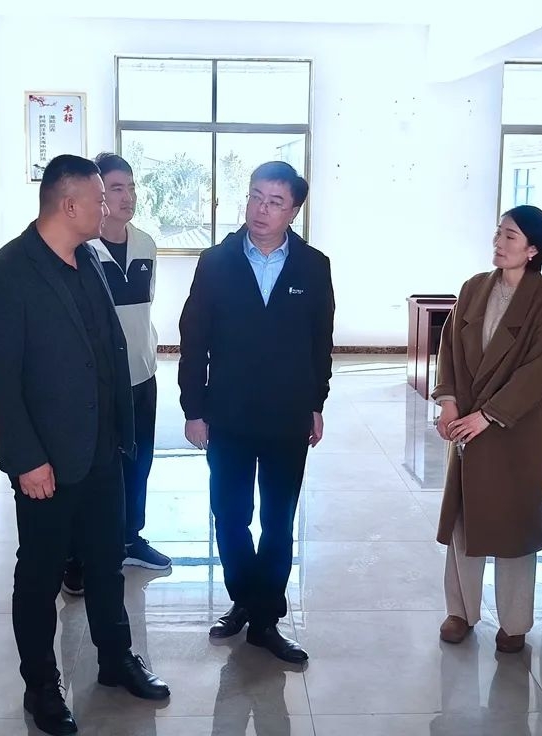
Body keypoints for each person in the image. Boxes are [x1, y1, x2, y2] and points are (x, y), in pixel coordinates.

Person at [0, 154, 170, 736]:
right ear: (68, 204)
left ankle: (115, 659)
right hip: (47, 462)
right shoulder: (7, 274)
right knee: (39, 575)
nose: (107, 208)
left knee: (106, 564)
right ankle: (41, 685)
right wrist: (26, 458)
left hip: (102, 450)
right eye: (99, 199)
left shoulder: (88, 259)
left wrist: (121, 434)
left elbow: (106, 350)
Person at [178, 161, 335, 664]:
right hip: (228, 413)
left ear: (293, 211)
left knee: (278, 518)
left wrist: (316, 403)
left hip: (287, 415)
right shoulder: (216, 262)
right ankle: (244, 597)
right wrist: (193, 408)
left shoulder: (313, 266)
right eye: (255, 197)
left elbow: (320, 343)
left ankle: (266, 619)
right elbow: (193, 340)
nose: (261, 210)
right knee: (229, 515)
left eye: (275, 202)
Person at [432, 204, 542, 654]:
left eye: (510, 236)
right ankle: (460, 611)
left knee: (514, 524)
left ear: (533, 250)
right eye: (498, 233)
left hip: (514, 430)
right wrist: (449, 403)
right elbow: (449, 348)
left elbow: (540, 369)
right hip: (466, 425)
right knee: (463, 520)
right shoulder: (474, 287)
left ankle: (514, 622)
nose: (499, 243)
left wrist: (488, 415)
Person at [61, 152, 170, 597]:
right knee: (92, 470)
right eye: (116, 189)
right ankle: (77, 555)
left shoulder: (146, 244)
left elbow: (144, 308)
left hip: (142, 373)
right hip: (98, 383)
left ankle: (129, 538)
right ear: (98, 197)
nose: (128, 197)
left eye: (131, 187)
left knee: (138, 462)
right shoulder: (80, 251)